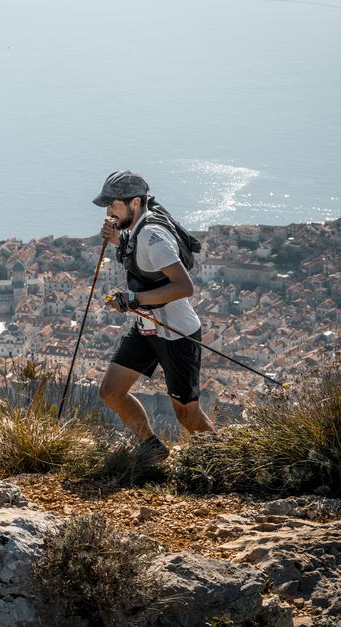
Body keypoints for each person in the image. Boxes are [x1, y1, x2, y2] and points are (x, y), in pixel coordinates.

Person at [93, 170, 213, 462]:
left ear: (135, 202)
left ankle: (222, 460)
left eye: (114, 205)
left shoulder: (153, 235)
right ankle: (153, 448)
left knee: (187, 415)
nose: (109, 211)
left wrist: (134, 299)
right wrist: (117, 238)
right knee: (111, 392)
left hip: (176, 333)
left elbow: (184, 287)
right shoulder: (138, 227)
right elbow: (135, 252)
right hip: (147, 327)